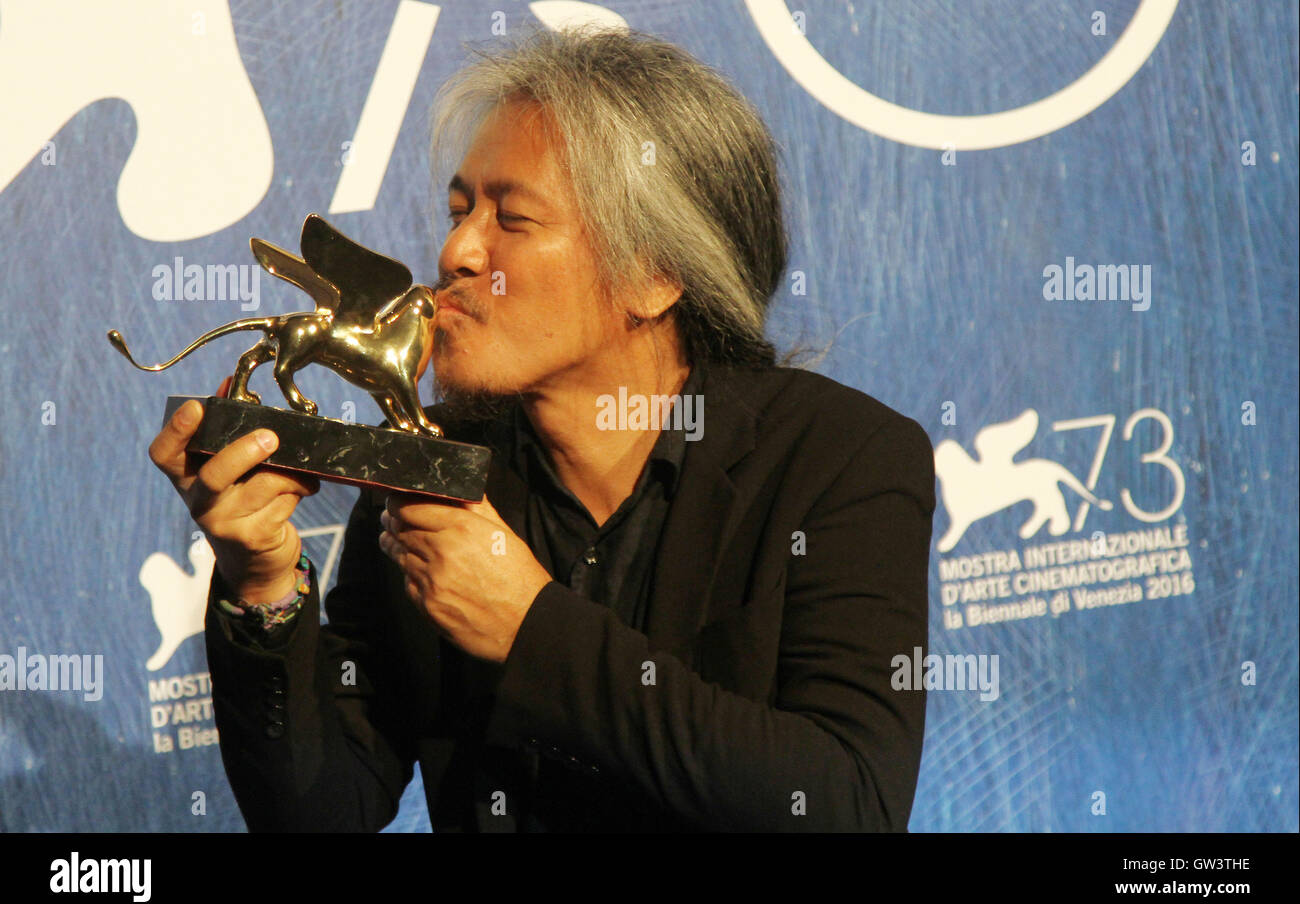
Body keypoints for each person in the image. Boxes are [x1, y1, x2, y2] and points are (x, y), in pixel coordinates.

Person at [148, 25, 935, 832]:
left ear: (655, 274)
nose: (456, 251)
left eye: (511, 220)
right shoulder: (434, 467)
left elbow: (847, 802)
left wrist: (529, 630)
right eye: (459, 210)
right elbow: (319, 810)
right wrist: (262, 588)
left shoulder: (841, 461)